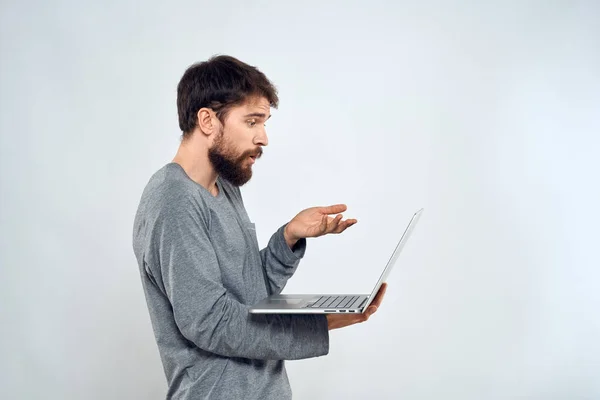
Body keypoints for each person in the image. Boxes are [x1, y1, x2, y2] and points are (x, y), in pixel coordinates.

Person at [132, 55, 387, 399]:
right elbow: (212, 323)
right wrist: (321, 323)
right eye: (252, 122)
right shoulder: (173, 201)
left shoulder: (225, 187)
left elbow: (250, 293)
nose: (264, 137)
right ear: (207, 120)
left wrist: (288, 238)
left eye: (265, 123)